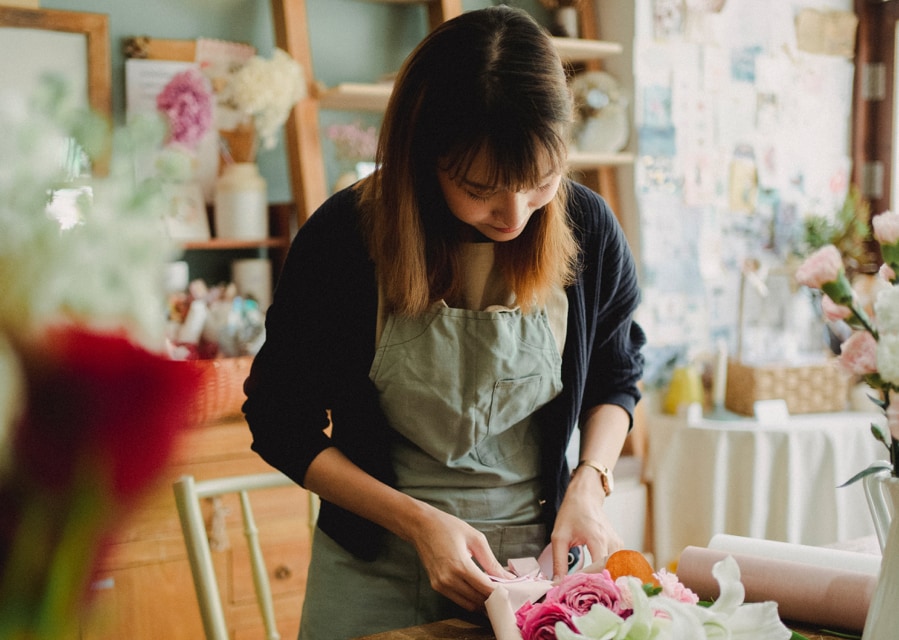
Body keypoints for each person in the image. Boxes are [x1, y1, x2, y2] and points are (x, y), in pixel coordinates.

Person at [243, 6, 645, 639]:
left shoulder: (588, 229)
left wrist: (589, 485)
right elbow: (279, 422)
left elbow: (615, 380)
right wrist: (418, 523)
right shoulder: (345, 238)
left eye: (540, 181)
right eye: (482, 189)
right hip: (375, 560)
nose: (514, 215)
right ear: (425, 157)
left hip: (533, 568)